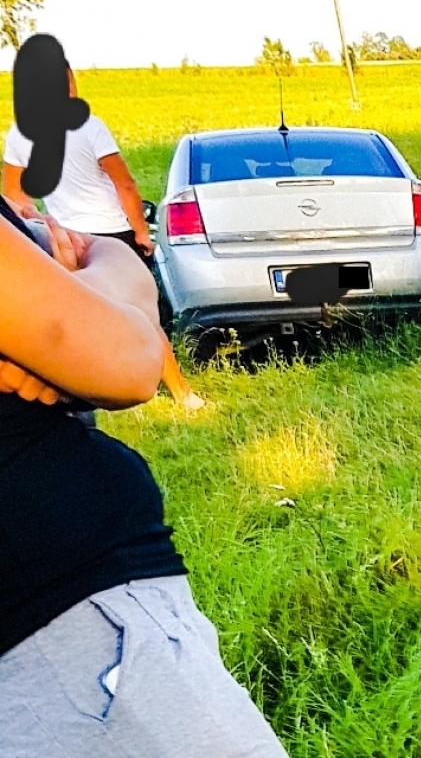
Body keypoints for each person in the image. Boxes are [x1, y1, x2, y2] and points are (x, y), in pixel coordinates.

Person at [0, 176, 288, 756]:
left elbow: (106, 288)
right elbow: (127, 361)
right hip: (66, 635)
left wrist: (87, 307)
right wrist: (97, 305)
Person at [3, 51, 200, 407]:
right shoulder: (89, 126)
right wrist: (141, 231)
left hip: (67, 239)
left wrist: (40, 226)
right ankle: (181, 392)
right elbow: (124, 183)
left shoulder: (19, 134)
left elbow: (14, 194)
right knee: (142, 315)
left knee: (81, 320)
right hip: (109, 232)